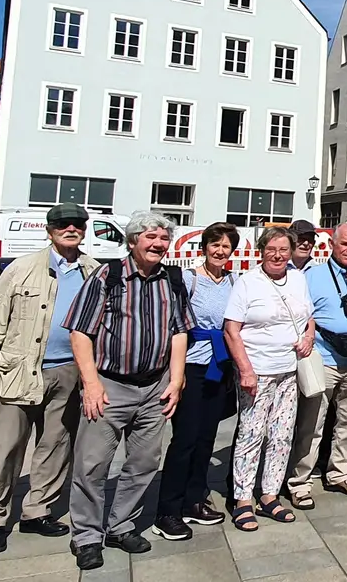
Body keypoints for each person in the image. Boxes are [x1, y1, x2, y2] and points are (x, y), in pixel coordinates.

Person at [64, 211, 194, 570]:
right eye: (150, 237)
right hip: (110, 385)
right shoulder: (109, 276)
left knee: (143, 463)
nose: (158, 244)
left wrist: (176, 379)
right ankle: (87, 535)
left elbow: (180, 330)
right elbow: (79, 332)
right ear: (133, 241)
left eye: (163, 239)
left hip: (155, 386)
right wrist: (90, 383)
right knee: (92, 465)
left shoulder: (172, 279)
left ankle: (120, 525)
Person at [0, 203, 99, 555]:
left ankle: (37, 511)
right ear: (49, 230)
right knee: (6, 448)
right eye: (62, 225)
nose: (70, 229)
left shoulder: (94, 271)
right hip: (21, 369)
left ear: (84, 230)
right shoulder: (22, 269)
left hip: (69, 372)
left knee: (55, 447)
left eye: (76, 224)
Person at [221, 226, 314, 532]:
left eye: (284, 250)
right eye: (272, 249)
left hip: (288, 369)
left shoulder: (298, 279)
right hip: (256, 370)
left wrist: (309, 337)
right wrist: (245, 370)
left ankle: (270, 493)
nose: (278, 255)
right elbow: (231, 329)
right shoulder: (248, 282)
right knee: (251, 435)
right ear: (261, 251)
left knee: (282, 434)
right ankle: (243, 498)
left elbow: (307, 316)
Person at [152, 223, 239, 539]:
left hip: (220, 366)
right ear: (204, 247)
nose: (220, 251)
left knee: (206, 438)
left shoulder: (233, 281)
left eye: (226, 246)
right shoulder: (188, 279)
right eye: (215, 245)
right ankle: (168, 509)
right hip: (191, 366)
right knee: (185, 439)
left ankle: (195, 499)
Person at [288, 224, 347, 509]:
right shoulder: (312, 275)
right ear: (332, 245)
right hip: (323, 358)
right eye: (344, 244)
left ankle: (340, 472)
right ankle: (300, 481)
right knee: (312, 424)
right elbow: (299, 313)